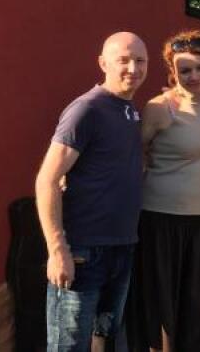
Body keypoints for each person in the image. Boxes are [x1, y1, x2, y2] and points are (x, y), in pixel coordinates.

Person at [35, 32, 148, 352]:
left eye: (140, 60)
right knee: (69, 346)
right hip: (83, 252)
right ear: (103, 63)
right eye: (123, 60)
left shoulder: (129, 110)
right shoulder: (86, 109)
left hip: (121, 247)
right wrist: (58, 250)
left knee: (105, 340)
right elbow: (47, 180)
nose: (133, 68)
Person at [136, 30, 200, 352]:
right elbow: (132, 153)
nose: (194, 76)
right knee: (163, 309)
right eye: (185, 70)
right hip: (161, 220)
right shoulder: (159, 108)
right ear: (172, 72)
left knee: (198, 306)